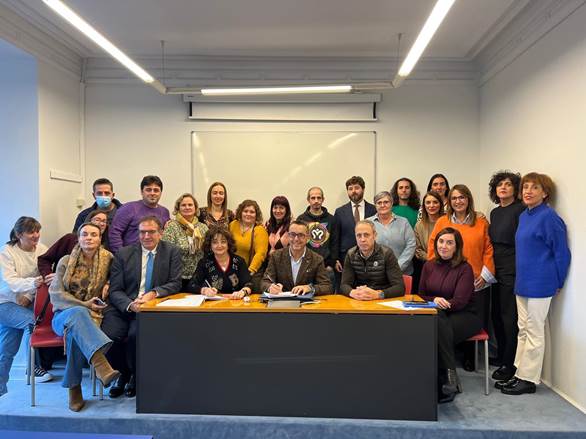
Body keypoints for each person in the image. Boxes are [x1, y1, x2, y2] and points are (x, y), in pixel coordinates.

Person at [498, 173, 570, 396]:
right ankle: (519, 372)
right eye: (526, 187)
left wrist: (559, 280)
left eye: (535, 187)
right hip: (522, 282)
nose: (528, 191)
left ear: (545, 193)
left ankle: (528, 379)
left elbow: (562, 252)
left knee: (534, 331)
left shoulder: (549, 217)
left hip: (541, 283)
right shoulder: (524, 216)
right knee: (523, 328)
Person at [101, 216, 182, 398]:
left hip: (150, 308)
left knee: (135, 336)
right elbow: (115, 289)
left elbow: (175, 283)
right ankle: (122, 374)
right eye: (142, 232)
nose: (146, 236)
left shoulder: (172, 252)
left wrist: (153, 293)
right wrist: (130, 305)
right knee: (107, 337)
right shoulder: (123, 254)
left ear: (161, 233)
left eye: (151, 232)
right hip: (124, 306)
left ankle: (135, 377)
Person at [48, 222, 120, 411]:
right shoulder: (65, 261)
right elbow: (56, 294)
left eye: (93, 234)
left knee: (75, 332)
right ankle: (101, 365)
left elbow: (116, 279)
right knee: (78, 314)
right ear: (78, 238)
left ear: (100, 238)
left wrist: (108, 283)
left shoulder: (108, 258)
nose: (89, 238)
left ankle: (74, 387)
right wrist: (84, 305)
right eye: (84, 234)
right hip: (62, 315)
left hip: (92, 315)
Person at [419, 227, 482, 403]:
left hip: (465, 316)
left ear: (457, 247)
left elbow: (460, 301)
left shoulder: (465, 268)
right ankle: (448, 379)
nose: (444, 246)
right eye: (441, 242)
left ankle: (446, 379)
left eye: (449, 243)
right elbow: (421, 295)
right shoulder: (429, 265)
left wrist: (440, 305)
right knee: (436, 325)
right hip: (438, 314)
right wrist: (435, 300)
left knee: (436, 329)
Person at [428, 184, 495, 333]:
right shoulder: (442, 222)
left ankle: (475, 350)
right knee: (449, 326)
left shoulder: (481, 223)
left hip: (477, 283)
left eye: (462, 197)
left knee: (476, 327)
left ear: (468, 199)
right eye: (454, 198)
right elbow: (433, 248)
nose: (458, 201)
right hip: (448, 284)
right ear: (449, 201)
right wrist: (439, 276)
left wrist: (485, 276)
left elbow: (488, 250)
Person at [0, 217, 53, 396]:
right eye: (31, 232)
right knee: (32, 322)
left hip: (25, 302)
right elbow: (10, 281)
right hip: (4, 302)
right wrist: (32, 284)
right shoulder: (6, 252)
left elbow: (42, 278)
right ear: (19, 235)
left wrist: (29, 296)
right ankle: (32, 369)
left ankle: (0, 389)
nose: (36, 235)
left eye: (37, 231)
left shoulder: (42, 249)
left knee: (7, 350)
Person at [487, 171, 525, 382]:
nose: (503, 187)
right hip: (495, 267)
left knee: (509, 317)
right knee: (496, 315)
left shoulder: (520, 210)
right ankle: (501, 354)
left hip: (511, 266)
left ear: (515, 189)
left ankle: (509, 364)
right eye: (500, 184)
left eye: (508, 184)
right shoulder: (495, 212)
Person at [261, 221, 331, 295]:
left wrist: (310, 288)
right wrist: (270, 287)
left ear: (307, 238)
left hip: (305, 301)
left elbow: (327, 286)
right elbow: (265, 282)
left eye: (301, 235)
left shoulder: (317, 259)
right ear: (288, 236)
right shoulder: (276, 256)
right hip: (281, 300)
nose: (296, 239)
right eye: (293, 234)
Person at [340, 220, 404, 300]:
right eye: (359, 235)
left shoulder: (387, 253)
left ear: (375, 236)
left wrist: (378, 294)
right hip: (359, 300)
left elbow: (399, 287)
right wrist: (353, 292)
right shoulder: (351, 254)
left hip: (382, 300)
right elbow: (344, 285)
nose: (362, 239)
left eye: (366, 235)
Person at [39, 210, 111, 280]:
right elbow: (44, 259)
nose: (101, 223)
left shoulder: (107, 250)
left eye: (104, 221)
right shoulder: (69, 239)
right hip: (61, 283)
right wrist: (50, 276)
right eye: (97, 220)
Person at [109, 175, 170, 252]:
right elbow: (114, 233)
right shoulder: (128, 208)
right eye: (148, 190)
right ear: (141, 192)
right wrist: (122, 255)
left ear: (161, 193)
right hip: (131, 256)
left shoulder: (164, 212)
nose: (152, 193)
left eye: (156, 190)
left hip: (156, 256)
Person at [186, 226, 251, 298]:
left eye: (223, 242)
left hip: (236, 302)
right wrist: (204, 290)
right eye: (215, 242)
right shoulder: (204, 263)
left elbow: (249, 284)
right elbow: (192, 285)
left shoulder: (239, 261)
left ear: (228, 244)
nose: (219, 246)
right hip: (214, 303)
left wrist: (243, 292)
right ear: (210, 245)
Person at [333, 176, 376, 284]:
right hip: (345, 259)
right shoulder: (340, 211)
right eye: (350, 189)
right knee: (346, 288)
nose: (353, 191)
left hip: (370, 259)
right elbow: (335, 237)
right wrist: (335, 259)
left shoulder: (374, 209)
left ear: (363, 189)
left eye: (357, 188)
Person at [162, 193, 208, 290]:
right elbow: (165, 252)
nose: (187, 207)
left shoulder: (203, 228)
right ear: (178, 208)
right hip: (176, 278)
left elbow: (208, 251)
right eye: (183, 205)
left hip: (199, 277)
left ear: (195, 208)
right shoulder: (171, 226)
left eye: (190, 205)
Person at [367, 191, 416, 275]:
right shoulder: (367, 223)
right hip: (376, 273)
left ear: (392, 203)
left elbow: (411, 245)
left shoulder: (403, 222)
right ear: (375, 205)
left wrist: (397, 267)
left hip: (402, 273)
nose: (383, 205)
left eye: (386, 202)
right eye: (379, 203)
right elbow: (364, 246)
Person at [297, 186, 338, 283]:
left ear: (323, 199)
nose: (316, 201)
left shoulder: (331, 219)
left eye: (319, 198)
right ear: (308, 200)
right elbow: (298, 242)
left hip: (326, 267)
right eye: (313, 198)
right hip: (306, 267)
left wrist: (331, 264)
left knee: (327, 292)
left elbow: (335, 243)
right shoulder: (301, 219)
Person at [228, 200, 269, 288]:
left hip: (250, 273)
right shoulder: (233, 225)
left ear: (256, 214)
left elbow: (261, 254)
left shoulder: (260, 230)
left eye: (252, 212)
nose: (248, 214)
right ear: (240, 212)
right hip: (232, 272)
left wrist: (249, 271)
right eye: (245, 211)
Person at [413, 191, 445, 289]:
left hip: (448, 267)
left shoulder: (447, 221)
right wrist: (432, 259)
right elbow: (417, 250)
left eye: (435, 202)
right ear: (424, 206)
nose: (431, 205)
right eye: (428, 202)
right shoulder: (419, 225)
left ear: (440, 204)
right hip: (427, 267)